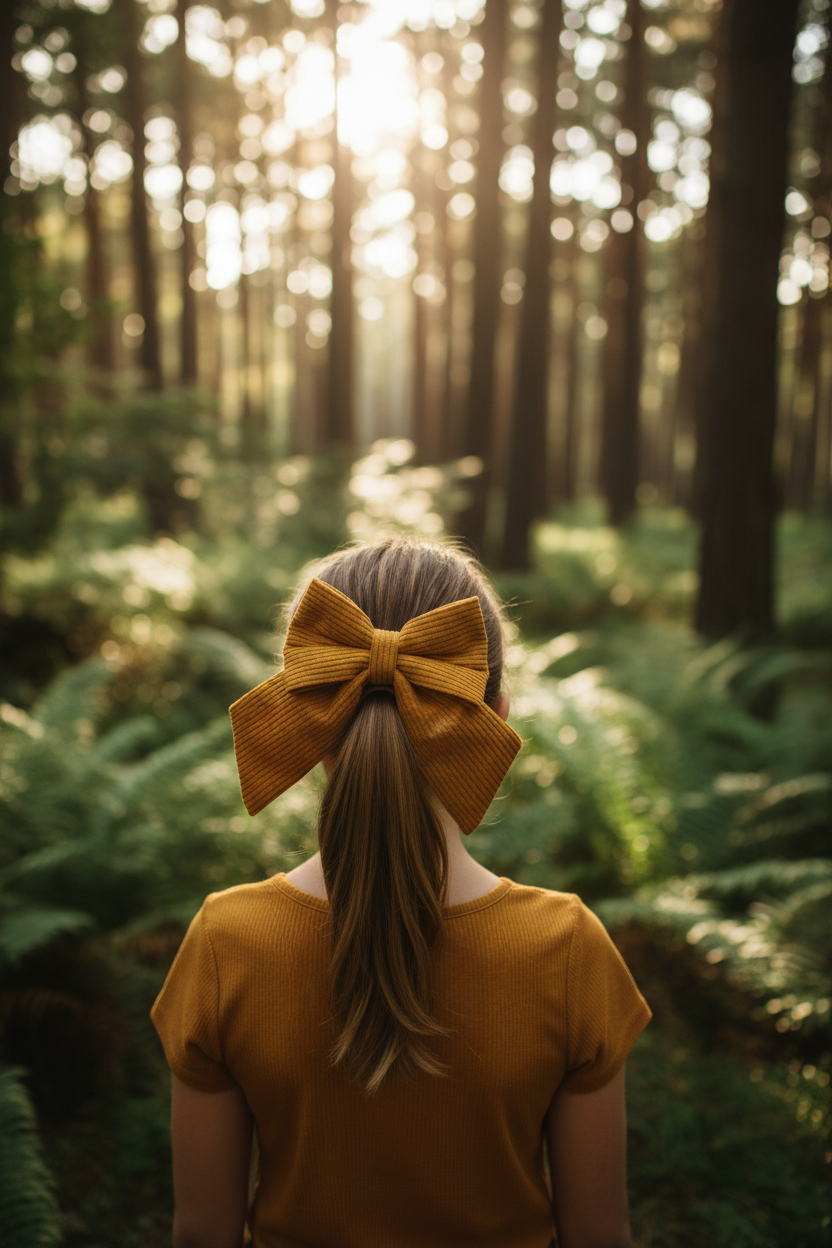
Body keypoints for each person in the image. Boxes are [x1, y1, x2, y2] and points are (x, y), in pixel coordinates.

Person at [151, 536, 651, 1248]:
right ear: (498, 718)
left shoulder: (226, 941)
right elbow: (599, 1235)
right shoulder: (566, 948)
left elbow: (203, 1234)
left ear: (305, 720)